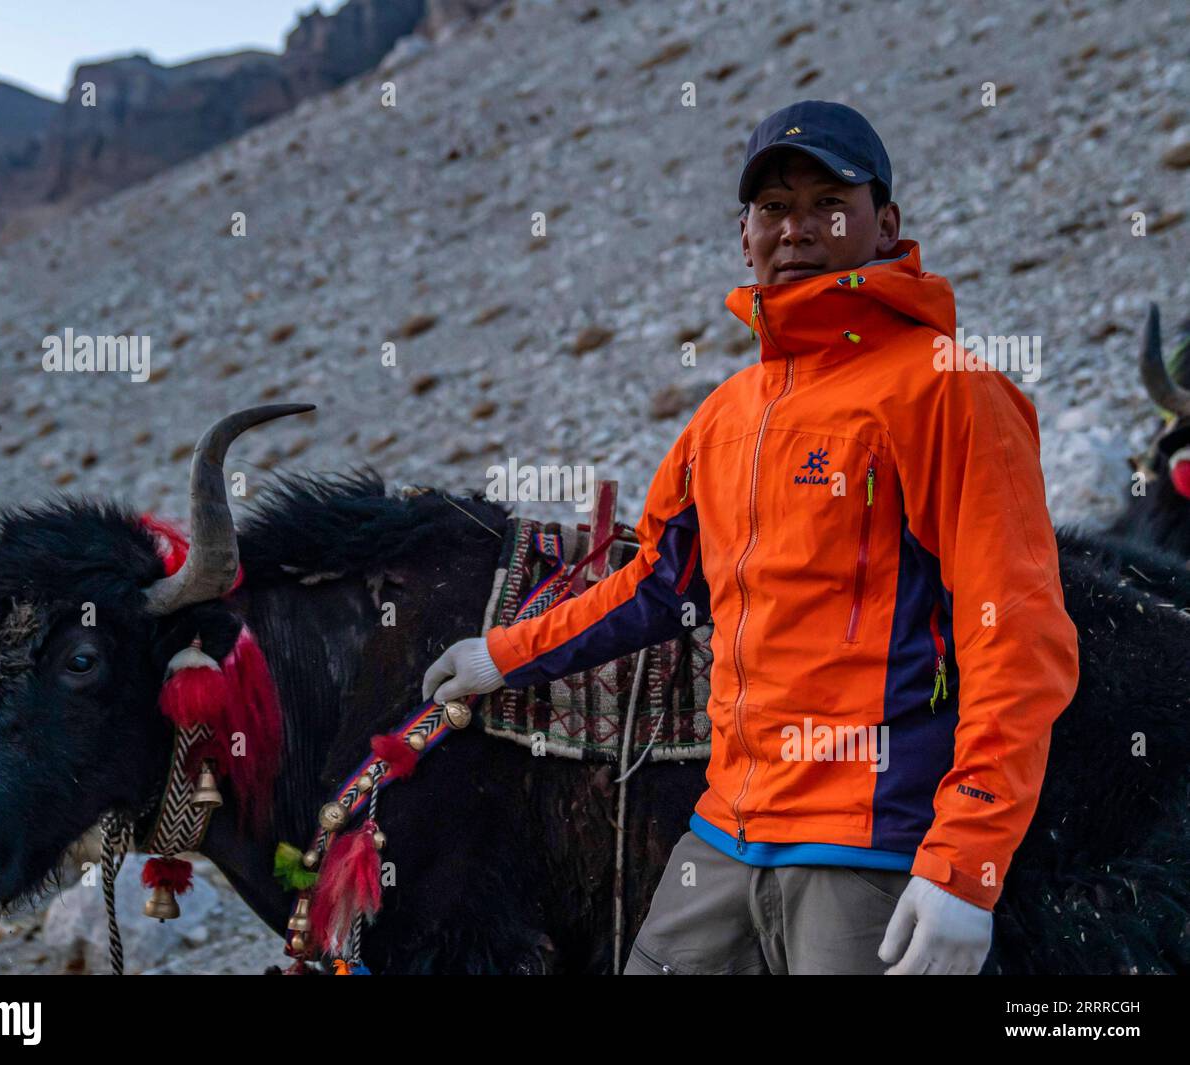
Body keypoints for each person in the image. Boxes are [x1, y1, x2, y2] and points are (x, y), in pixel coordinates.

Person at [422, 100, 1080, 975]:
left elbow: (1018, 637)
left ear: (886, 224)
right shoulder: (726, 415)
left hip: (870, 844)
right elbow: (658, 582)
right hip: (726, 832)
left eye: (827, 203)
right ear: (744, 236)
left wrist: (968, 863)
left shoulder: (948, 391)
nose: (797, 228)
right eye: (773, 208)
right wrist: (504, 654)